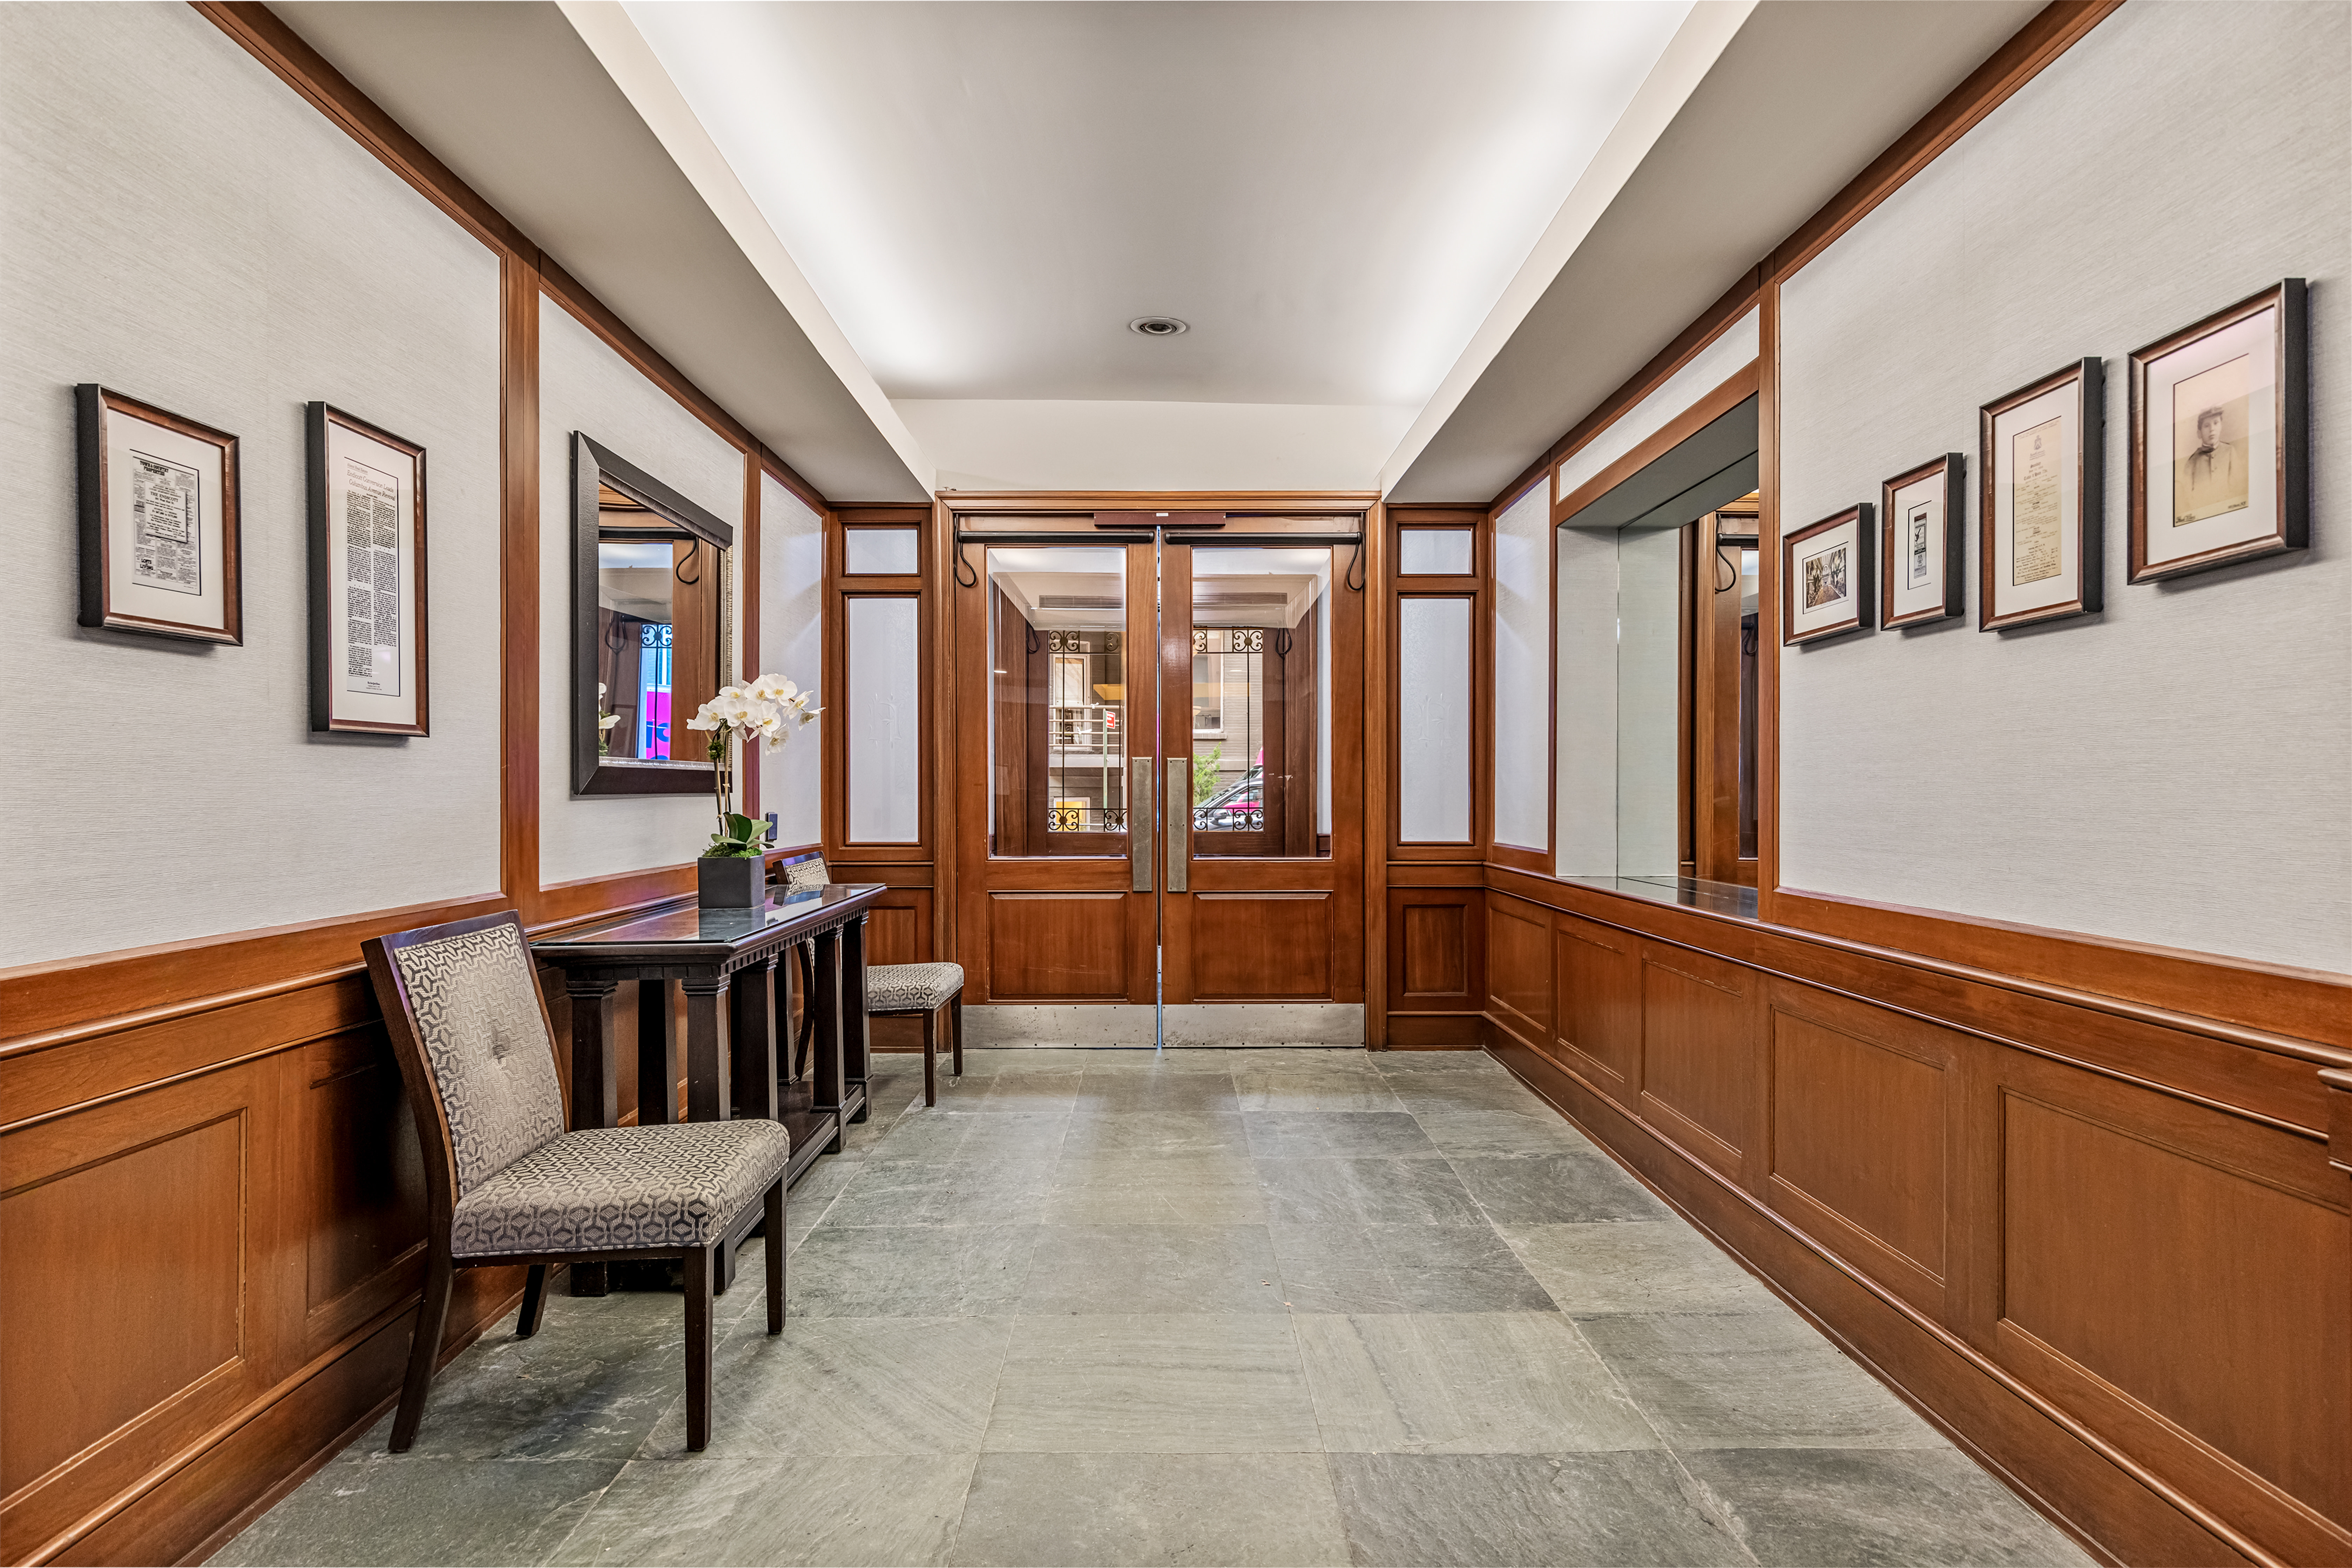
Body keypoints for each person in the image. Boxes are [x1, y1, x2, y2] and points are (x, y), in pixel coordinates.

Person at [2174, 403, 2247, 525]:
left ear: (2221, 426)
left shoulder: (2230, 452)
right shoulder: (2193, 462)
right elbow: (2186, 496)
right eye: (2207, 426)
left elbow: (2238, 487)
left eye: (2216, 423)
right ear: (2199, 433)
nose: (2212, 429)